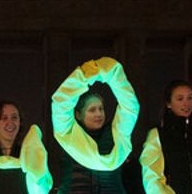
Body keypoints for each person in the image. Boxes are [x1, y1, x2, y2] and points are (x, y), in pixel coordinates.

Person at [52, 58, 140, 194]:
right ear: (78, 114)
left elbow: (130, 108)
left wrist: (111, 72)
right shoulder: (68, 134)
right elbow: (61, 103)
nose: (99, 114)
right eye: (92, 110)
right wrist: (85, 74)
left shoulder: (116, 133)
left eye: (101, 108)